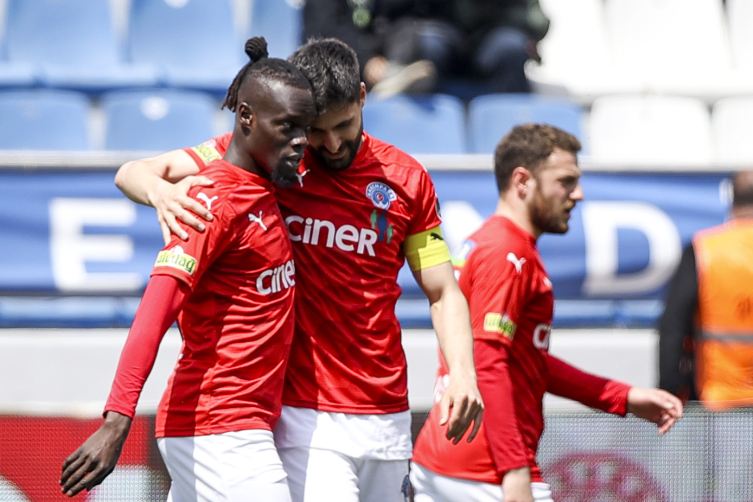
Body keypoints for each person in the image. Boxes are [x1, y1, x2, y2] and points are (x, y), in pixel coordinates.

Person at [114, 37, 483, 502]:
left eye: (344, 126)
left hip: (387, 412)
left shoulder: (407, 180)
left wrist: (462, 373)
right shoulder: (277, 159)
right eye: (317, 131)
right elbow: (134, 171)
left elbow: (443, 292)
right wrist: (162, 194)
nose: (331, 144)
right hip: (303, 416)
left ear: (362, 98)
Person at [59, 39, 316, 500]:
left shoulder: (263, 178)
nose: (302, 141)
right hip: (222, 428)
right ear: (246, 118)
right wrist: (117, 419)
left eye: (305, 128)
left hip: (227, 426)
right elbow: (154, 311)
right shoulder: (210, 204)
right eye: (288, 127)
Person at [409, 124, 684, 502]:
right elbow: (487, 361)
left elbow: (523, 358)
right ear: (523, 181)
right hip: (483, 468)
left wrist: (622, 396)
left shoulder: (490, 241)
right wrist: (514, 468)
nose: (578, 194)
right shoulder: (508, 252)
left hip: (448, 456)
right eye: (566, 182)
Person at [302, 0, 550, 97]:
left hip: (489, 34)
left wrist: (526, 32)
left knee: (510, 48)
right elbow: (325, 27)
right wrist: (366, 62)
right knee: (429, 44)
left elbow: (531, 15)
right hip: (350, 63)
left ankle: (511, 134)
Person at [659, 169, 753, 410]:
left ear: (731, 199)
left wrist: (668, 391)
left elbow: (673, 324)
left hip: (718, 397)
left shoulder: (704, 249)